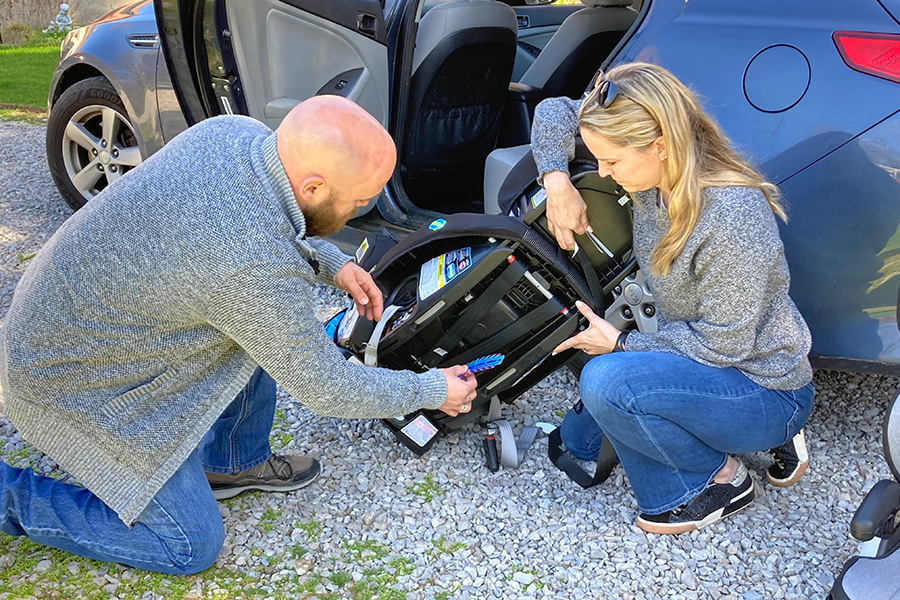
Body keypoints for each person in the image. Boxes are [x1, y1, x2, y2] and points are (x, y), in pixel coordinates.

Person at [0, 96, 478, 573]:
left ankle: (232, 461)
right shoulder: (250, 269)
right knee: (189, 544)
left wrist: (335, 265)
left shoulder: (234, 133)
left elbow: (273, 230)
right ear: (312, 186)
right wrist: (434, 389)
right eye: (358, 200)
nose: (362, 209)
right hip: (65, 380)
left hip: (72, 320)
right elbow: (328, 387)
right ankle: (8, 497)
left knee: (257, 330)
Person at [533, 62, 814, 534]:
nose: (602, 172)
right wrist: (555, 181)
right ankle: (700, 431)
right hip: (704, 359)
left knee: (605, 383)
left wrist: (620, 346)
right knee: (574, 446)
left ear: (660, 145)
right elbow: (553, 112)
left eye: (612, 162)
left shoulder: (730, 218)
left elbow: (723, 346)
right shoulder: (659, 178)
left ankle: (717, 480)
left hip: (760, 383)